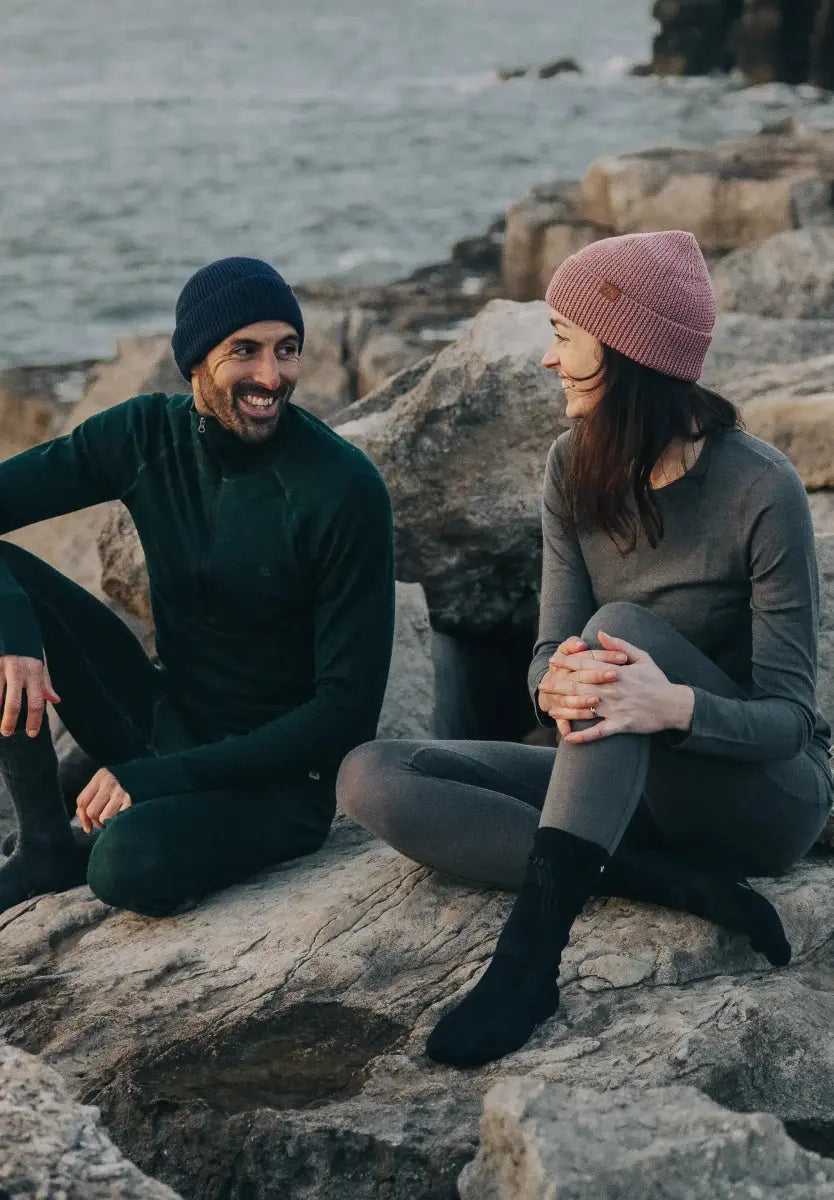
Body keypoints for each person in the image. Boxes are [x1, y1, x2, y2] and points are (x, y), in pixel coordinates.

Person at [336, 230, 833, 1068]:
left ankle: (530, 959)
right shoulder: (572, 468)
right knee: (373, 774)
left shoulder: (761, 488)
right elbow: (543, 657)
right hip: (631, 790)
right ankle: (662, 882)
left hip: (763, 801)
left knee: (625, 631)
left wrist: (669, 706)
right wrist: (555, 686)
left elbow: (792, 722)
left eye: (565, 335)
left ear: (628, 350)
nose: (546, 360)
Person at [0, 256, 395, 917]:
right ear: (195, 361)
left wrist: (153, 780)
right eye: (245, 351)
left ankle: (99, 841)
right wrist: (15, 638)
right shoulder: (146, 433)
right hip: (162, 717)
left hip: (275, 787)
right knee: (8, 596)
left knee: (124, 863)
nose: (272, 377)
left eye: (287, 350)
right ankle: (42, 843)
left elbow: (345, 715)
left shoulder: (343, 489)